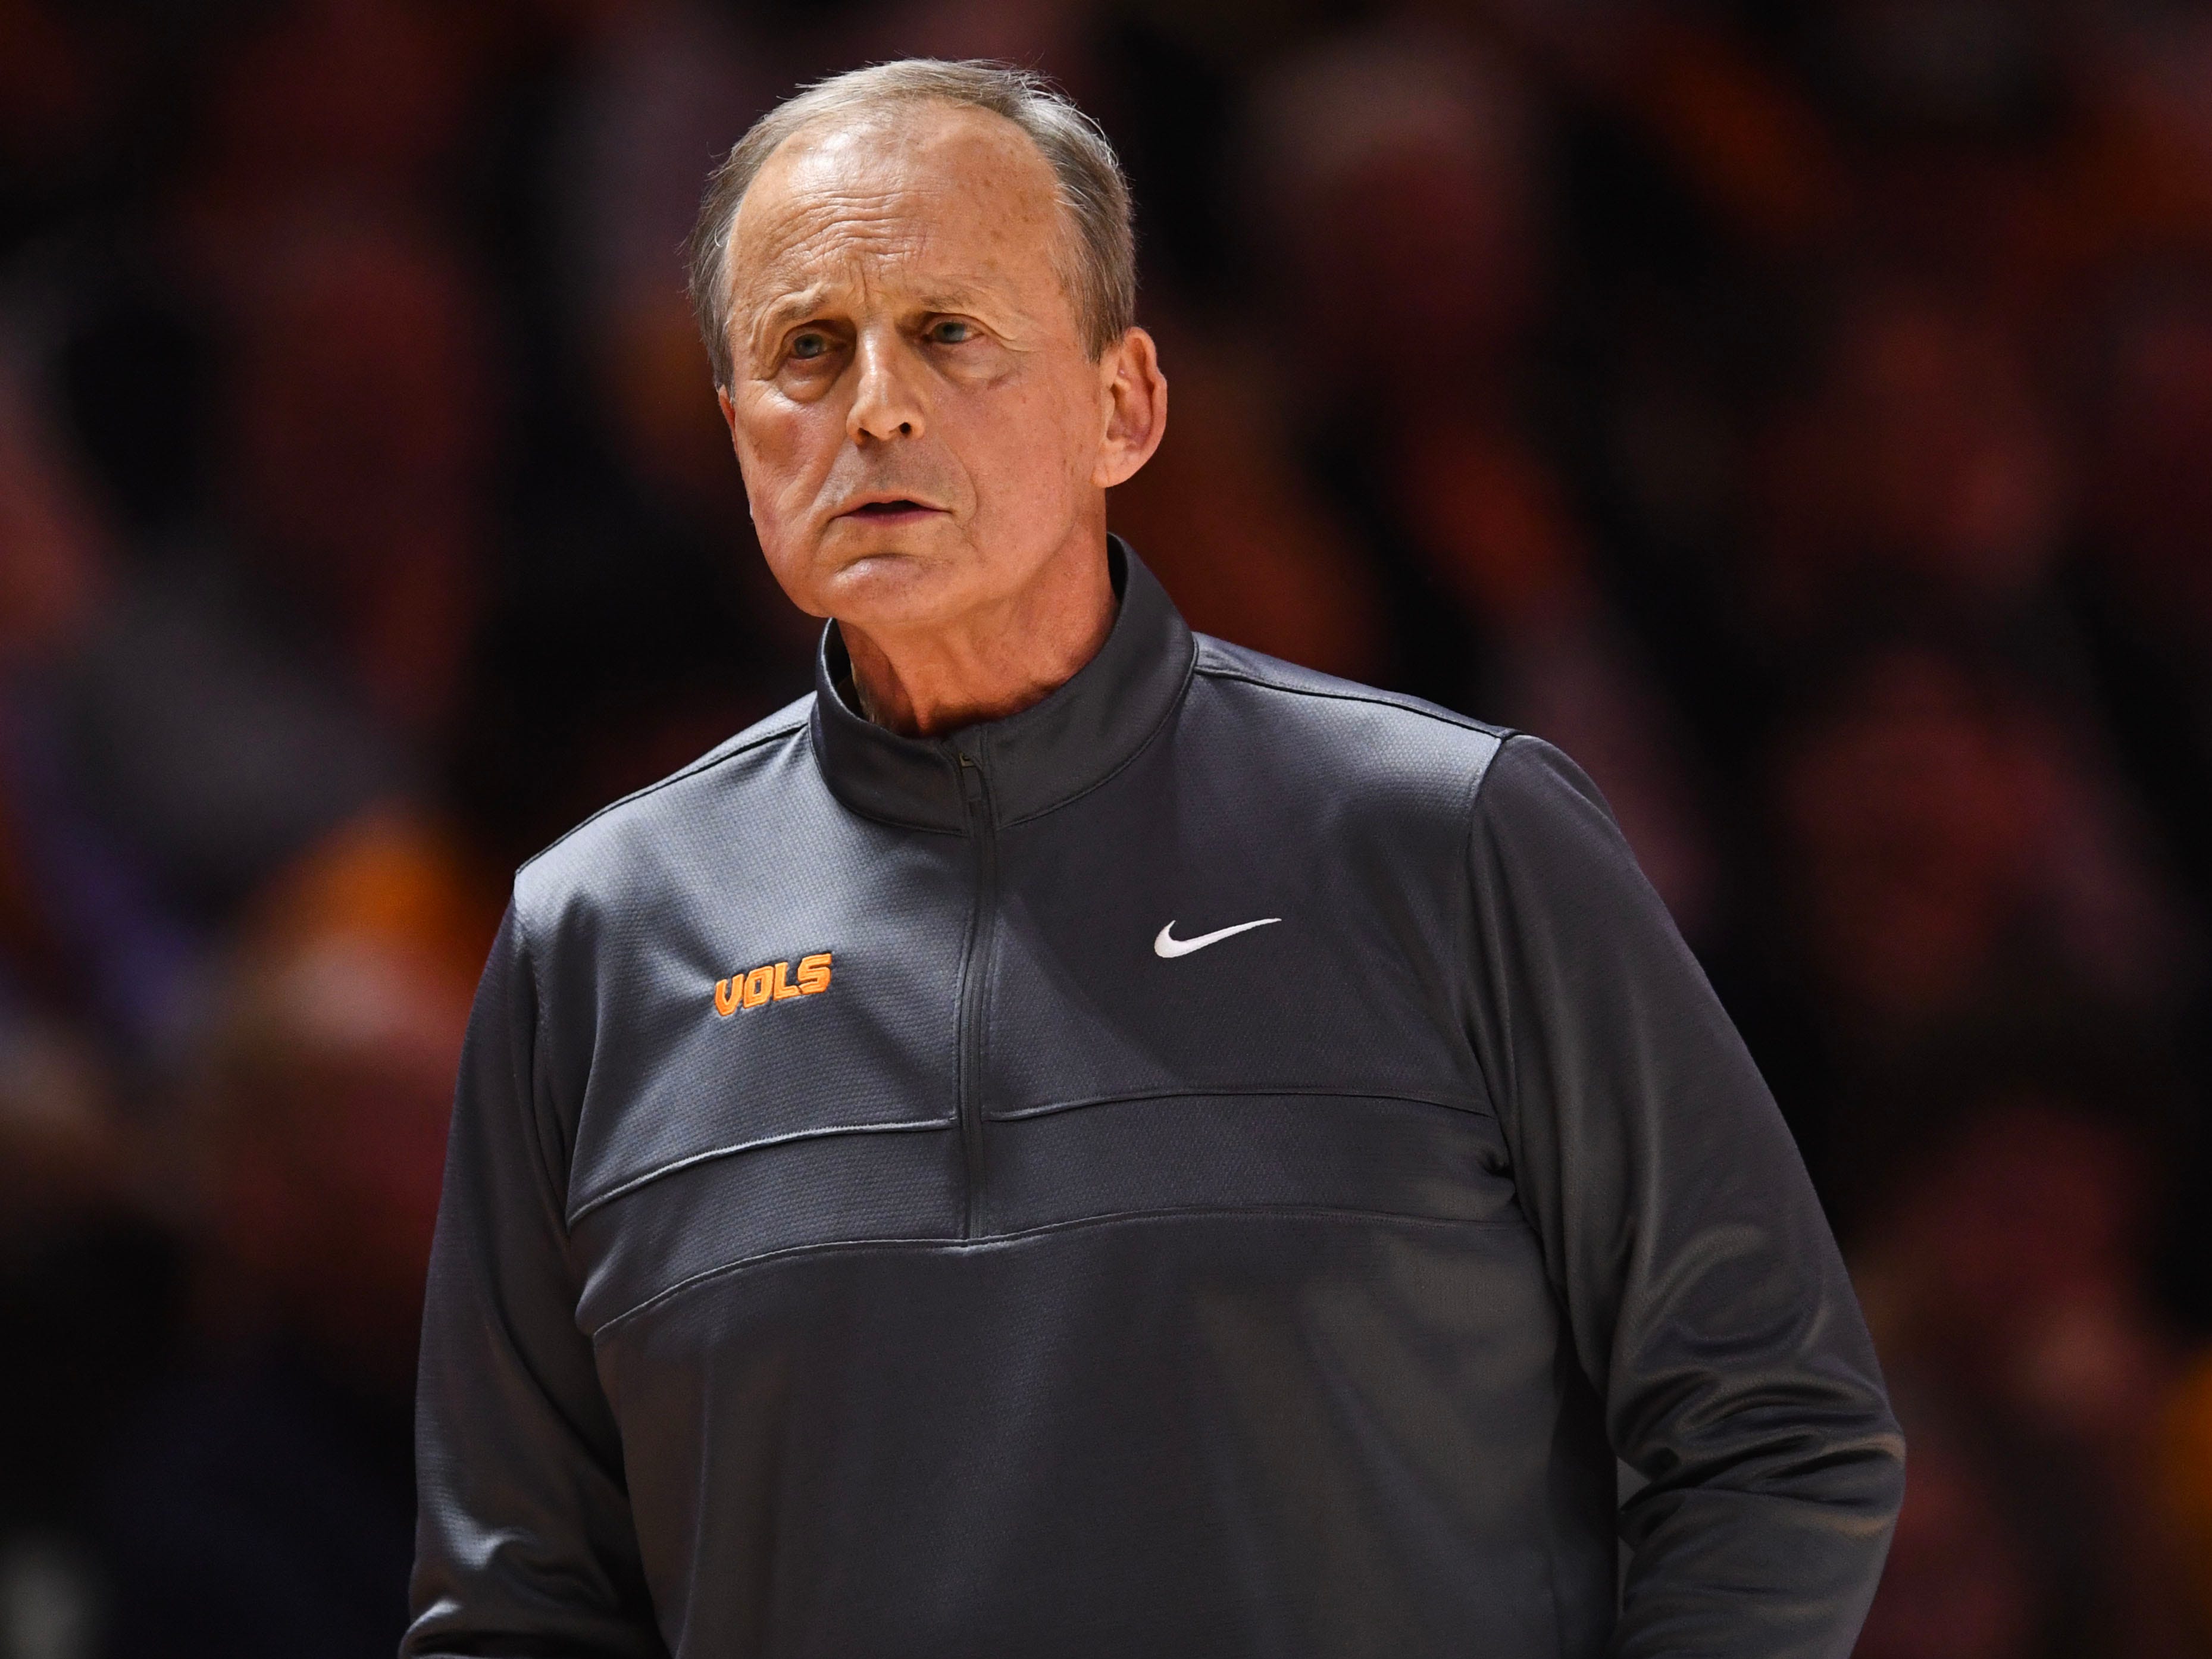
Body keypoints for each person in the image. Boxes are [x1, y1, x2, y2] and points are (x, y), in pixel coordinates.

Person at [405, 60, 1903, 1657]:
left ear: (1126, 405)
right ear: (737, 435)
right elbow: (517, 1600)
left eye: (955, 331)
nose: (878, 408)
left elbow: (1775, 1425)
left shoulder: (1455, 838)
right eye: (806, 348)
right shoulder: (593, 935)